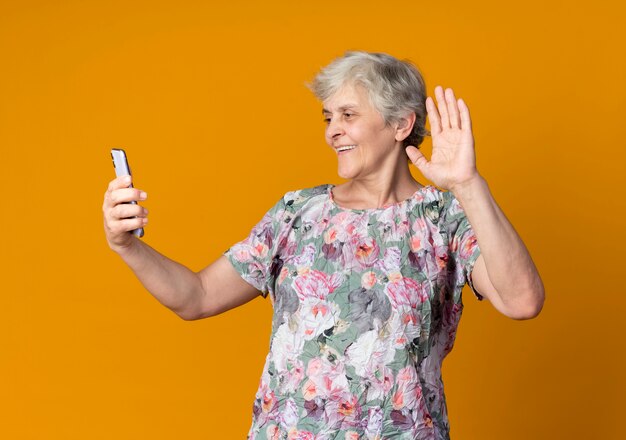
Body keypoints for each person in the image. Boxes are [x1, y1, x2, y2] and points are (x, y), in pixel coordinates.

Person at [102, 51, 544, 439]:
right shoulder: (298, 213)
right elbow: (195, 298)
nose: (333, 131)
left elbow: (522, 300)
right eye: (328, 117)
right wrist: (127, 246)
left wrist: (468, 185)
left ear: (400, 124)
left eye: (348, 115)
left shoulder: (443, 218)